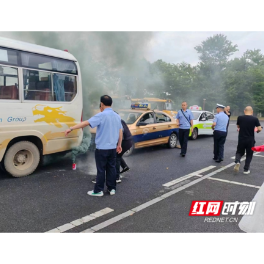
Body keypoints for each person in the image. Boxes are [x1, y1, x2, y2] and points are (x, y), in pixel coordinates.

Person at [65, 95, 123, 197]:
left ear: (101, 104)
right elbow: (120, 131)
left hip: (102, 149)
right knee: (111, 169)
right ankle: (112, 188)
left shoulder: (101, 115)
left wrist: (71, 128)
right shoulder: (117, 116)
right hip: (112, 148)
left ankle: (98, 190)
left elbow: (86, 123)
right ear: (111, 104)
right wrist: (119, 144)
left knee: (101, 170)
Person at [234, 106, 262, 175]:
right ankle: (246, 169)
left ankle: (237, 161)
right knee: (249, 154)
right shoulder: (255, 119)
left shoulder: (240, 118)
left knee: (239, 152)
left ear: (244, 111)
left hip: (241, 138)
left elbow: (238, 126)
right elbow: (259, 129)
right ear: (252, 112)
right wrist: (258, 130)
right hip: (250, 139)